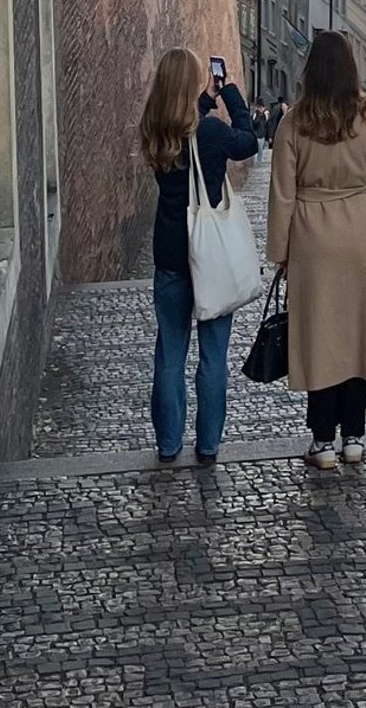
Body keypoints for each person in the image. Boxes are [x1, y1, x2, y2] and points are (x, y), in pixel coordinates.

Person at [266, 29, 366, 469]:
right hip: (359, 238)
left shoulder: (294, 122)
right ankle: (355, 437)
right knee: (359, 335)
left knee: (318, 335)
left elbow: (282, 193)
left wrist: (281, 252)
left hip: (311, 236)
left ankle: (322, 439)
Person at [139, 46, 258, 465]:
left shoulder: (154, 128)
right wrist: (231, 98)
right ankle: (207, 446)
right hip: (208, 254)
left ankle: (168, 444)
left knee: (170, 352)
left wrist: (205, 99)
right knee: (213, 355)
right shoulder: (209, 135)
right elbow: (247, 143)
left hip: (170, 253)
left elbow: (184, 123)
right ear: (190, 85)